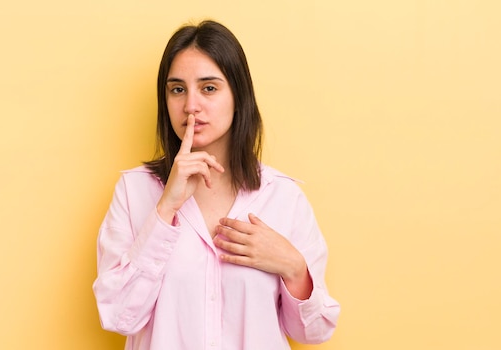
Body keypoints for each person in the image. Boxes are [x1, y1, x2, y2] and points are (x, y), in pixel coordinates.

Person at [93, 20, 340, 350]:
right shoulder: (134, 192)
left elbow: (314, 332)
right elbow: (118, 317)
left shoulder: (283, 198)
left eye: (209, 88)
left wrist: (295, 269)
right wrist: (166, 209)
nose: (190, 105)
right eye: (177, 89)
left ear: (238, 95)